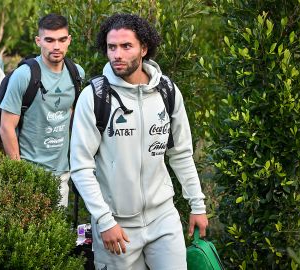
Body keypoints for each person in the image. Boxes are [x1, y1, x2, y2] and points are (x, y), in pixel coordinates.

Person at [70, 13, 208, 269]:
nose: (117, 55)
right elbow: (81, 167)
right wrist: (104, 221)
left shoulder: (167, 91)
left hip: (163, 219)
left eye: (126, 46)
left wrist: (197, 204)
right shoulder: (95, 96)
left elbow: (181, 153)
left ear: (144, 48)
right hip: (116, 226)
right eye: (112, 47)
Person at [0, 14, 85, 207]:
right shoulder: (23, 76)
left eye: (62, 40)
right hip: (30, 172)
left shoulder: (76, 73)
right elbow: (6, 127)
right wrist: (18, 173)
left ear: (69, 40)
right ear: (38, 41)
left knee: (55, 233)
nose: (56, 46)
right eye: (49, 40)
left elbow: (69, 111)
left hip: (62, 173)